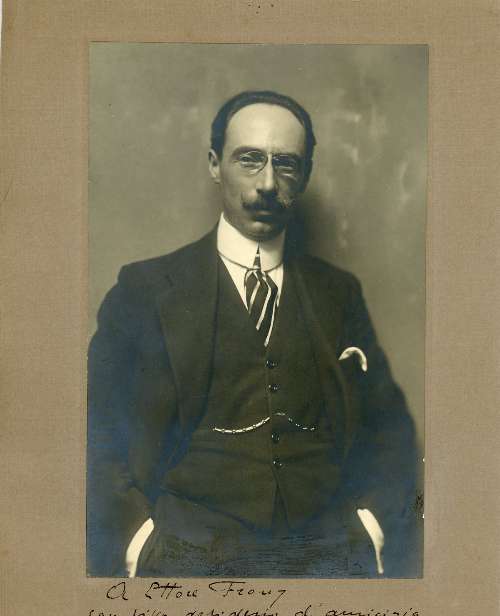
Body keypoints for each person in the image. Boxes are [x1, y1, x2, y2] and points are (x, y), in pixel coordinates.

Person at [87, 90, 421, 579]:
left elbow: (390, 427)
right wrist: (137, 541)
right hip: (186, 555)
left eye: (285, 164)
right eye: (249, 160)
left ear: (305, 175)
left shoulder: (338, 293)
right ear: (214, 164)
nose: (267, 183)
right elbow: (96, 429)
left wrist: (372, 526)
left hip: (328, 554)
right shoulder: (144, 290)